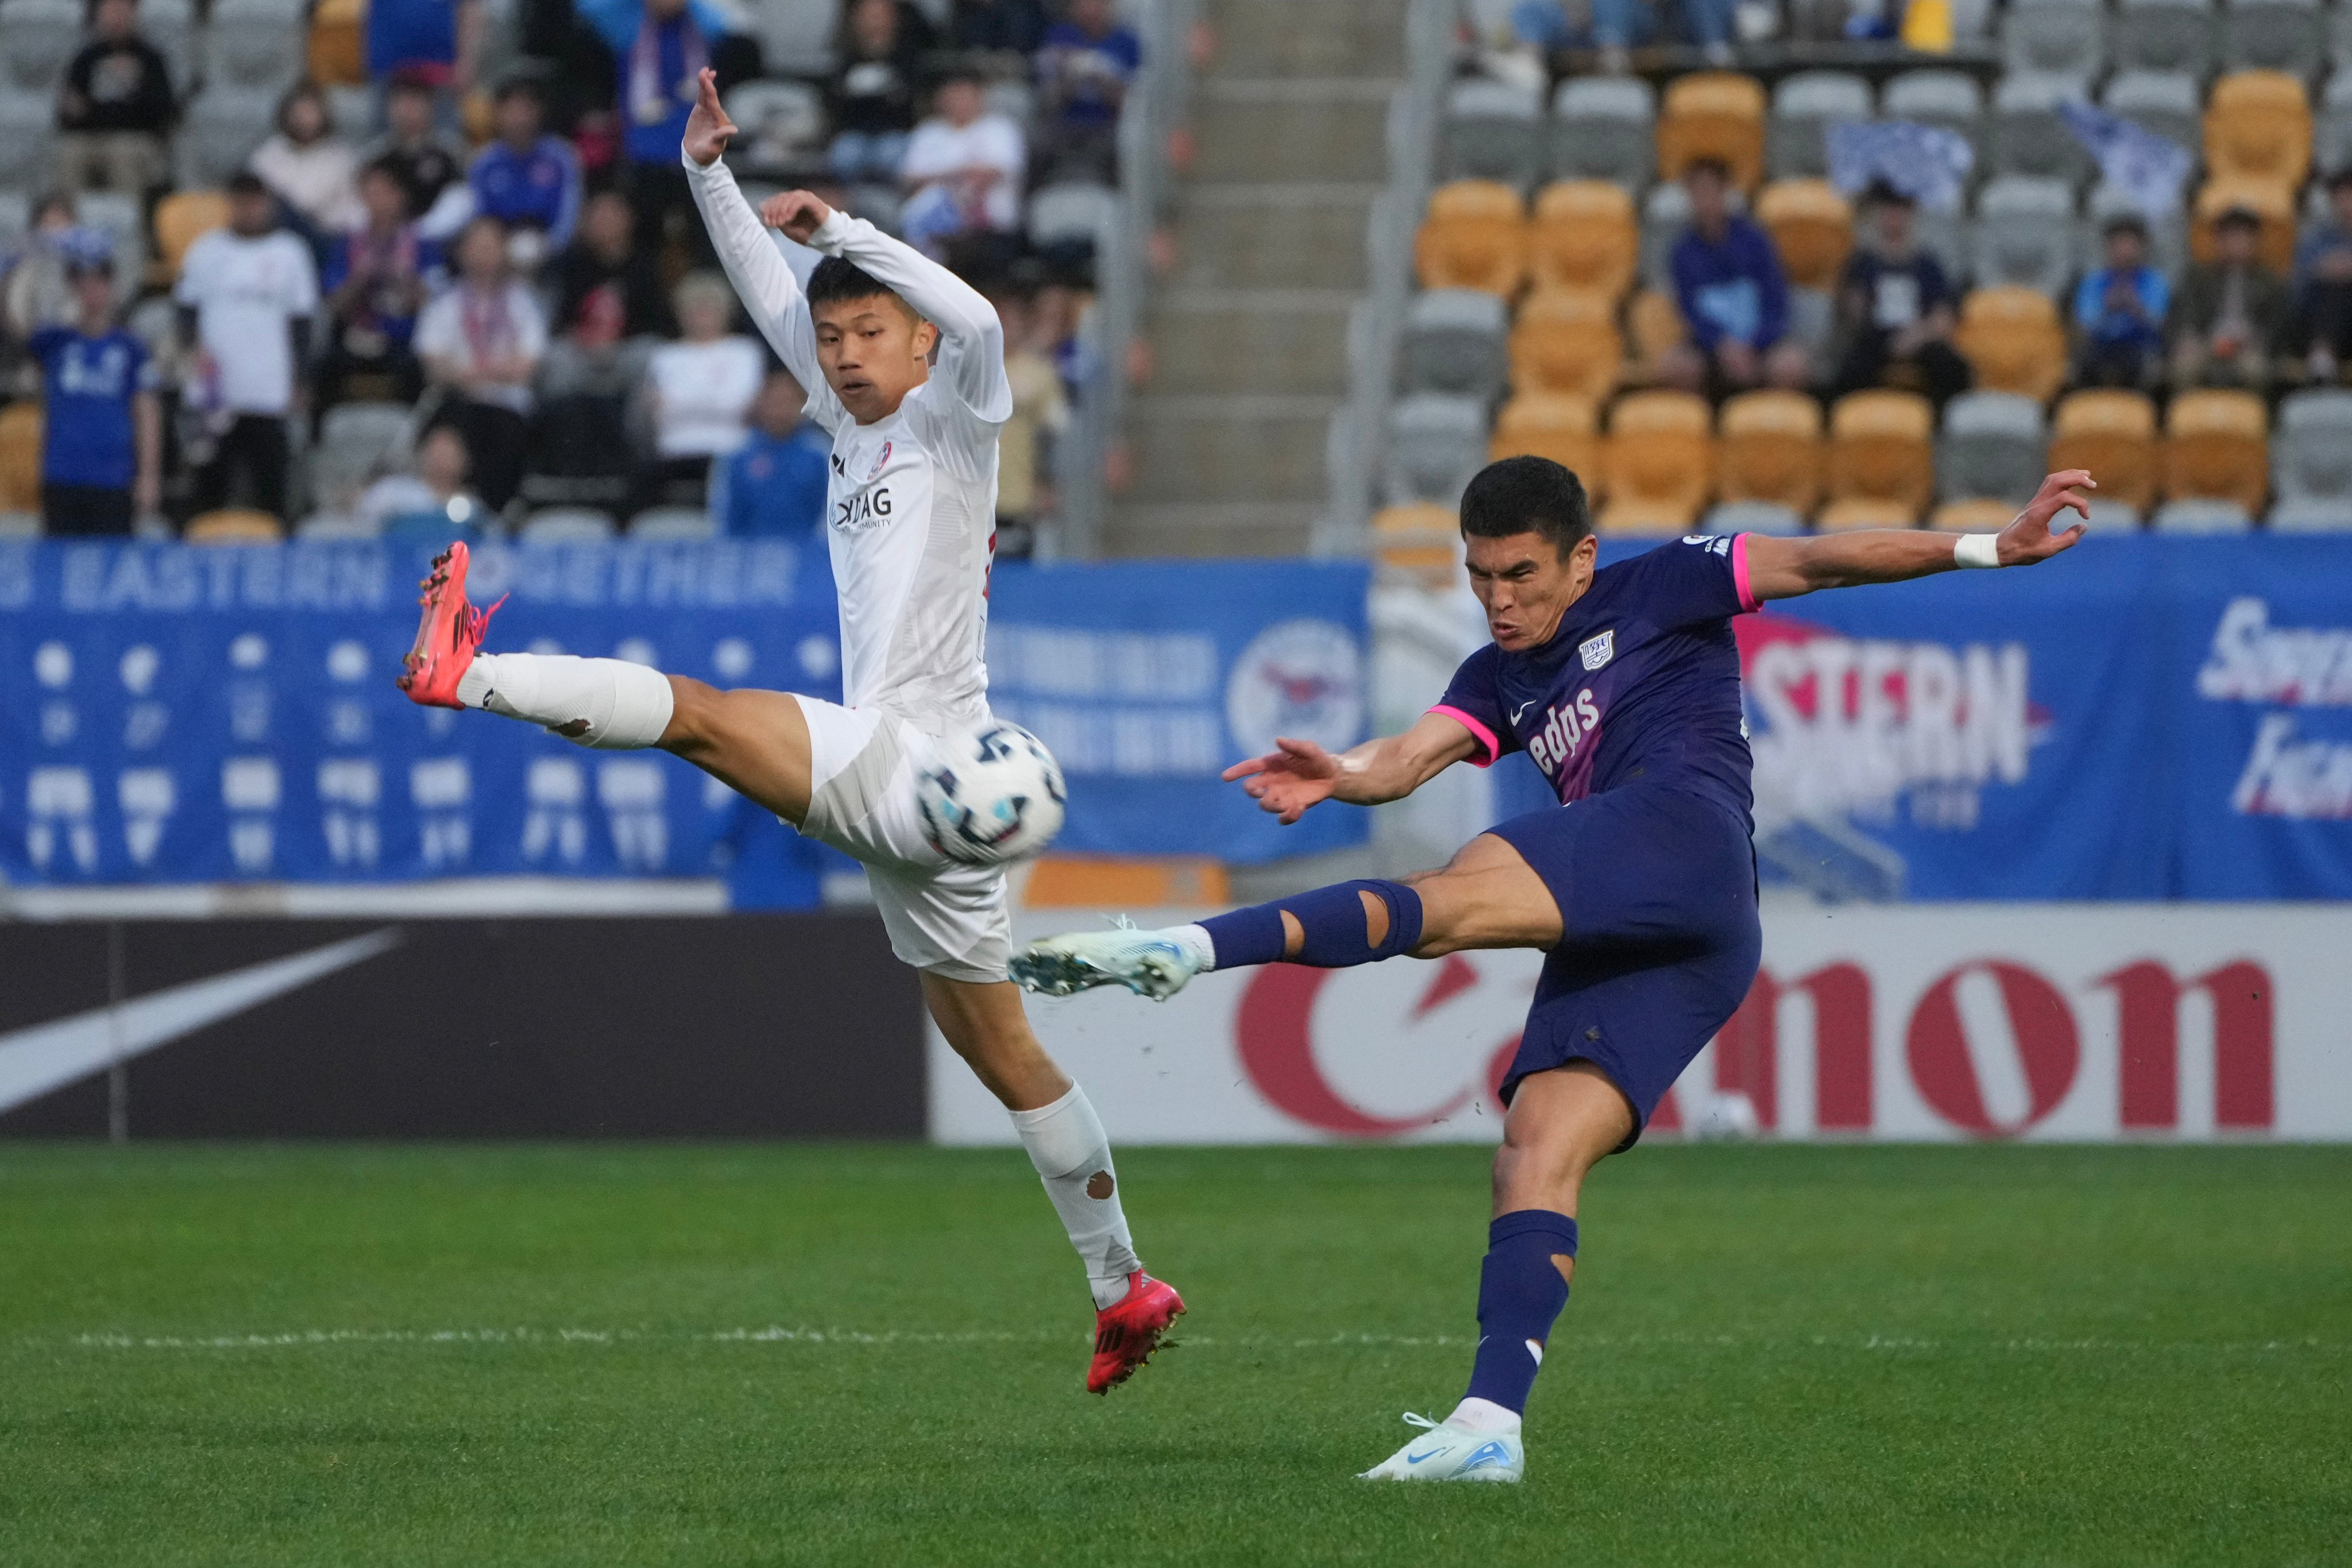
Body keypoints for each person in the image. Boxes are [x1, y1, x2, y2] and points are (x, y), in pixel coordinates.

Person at [1011, 454, 2095, 1480]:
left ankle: (1184, 951)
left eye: (1521, 573)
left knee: (1443, 904)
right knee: (1533, 1151)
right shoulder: (1497, 673)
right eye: (1479, 575)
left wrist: (1989, 548)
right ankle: (1489, 1427)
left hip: (1681, 836)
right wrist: (1337, 772)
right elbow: (1408, 758)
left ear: (1580, 562)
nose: (1499, 597)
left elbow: (1818, 560)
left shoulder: (1667, 582)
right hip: (1682, 939)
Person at [394, 70, 1186, 1393]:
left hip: (916, 753)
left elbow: (981, 316)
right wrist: (709, 171)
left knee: (697, 718)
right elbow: (776, 296)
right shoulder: (841, 417)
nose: (847, 353)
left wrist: (849, 237)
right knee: (1000, 1052)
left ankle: (465, 672)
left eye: (872, 333)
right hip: (937, 805)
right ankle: (1124, 1283)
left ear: (917, 342)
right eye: (835, 342)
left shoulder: (959, 417)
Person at [175, 172, 318, 519]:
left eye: (256, 200)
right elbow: (185, 310)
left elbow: (301, 323)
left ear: (268, 203)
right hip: (215, 394)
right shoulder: (207, 250)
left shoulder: (290, 252)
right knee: (210, 490)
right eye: (241, 199)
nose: (248, 208)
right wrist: (193, 351)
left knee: (271, 490)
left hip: (268, 391)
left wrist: (299, 378)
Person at [576, 0, 736, 261]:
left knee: (708, 243)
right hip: (645, 154)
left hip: (698, 154)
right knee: (644, 247)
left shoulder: (701, 25)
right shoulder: (627, 24)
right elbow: (587, 8)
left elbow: (726, 24)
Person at [415, 214, 546, 511]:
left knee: (504, 430)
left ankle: (493, 512)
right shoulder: (444, 303)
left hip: (508, 405)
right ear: (462, 252)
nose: (484, 253)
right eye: (477, 245)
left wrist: (474, 372)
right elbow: (433, 364)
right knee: (448, 427)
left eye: (491, 245)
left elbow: (528, 366)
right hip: (458, 401)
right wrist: (490, 371)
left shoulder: (523, 303)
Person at [28, 256, 161, 535]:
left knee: (112, 563)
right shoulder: (55, 341)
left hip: (114, 478)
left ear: (111, 288)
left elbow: (147, 414)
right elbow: (18, 324)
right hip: (63, 475)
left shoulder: (130, 348)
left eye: (98, 284)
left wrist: (148, 476)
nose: (91, 293)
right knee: (59, 566)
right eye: (82, 284)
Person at [1662, 158, 1809, 398]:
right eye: (1697, 191)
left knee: (1790, 366)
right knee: (1679, 367)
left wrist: (1753, 342)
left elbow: (1776, 301)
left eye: (1710, 190)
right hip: (1711, 344)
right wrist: (1722, 345)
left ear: (1724, 192)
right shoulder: (1682, 251)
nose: (1704, 200)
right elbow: (1688, 310)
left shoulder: (1756, 241)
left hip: (1760, 340)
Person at [1830, 181, 1969, 409]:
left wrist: (1917, 336)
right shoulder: (1862, 263)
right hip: (1876, 336)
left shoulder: (1928, 265)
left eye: (1901, 211)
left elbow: (1943, 314)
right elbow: (1851, 311)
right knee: (1851, 368)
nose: (1894, 217)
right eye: (1888, 210)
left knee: (1952, 367)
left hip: (1919, 335)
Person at [318, 157, 437, 415]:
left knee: (418, 370)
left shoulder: (422, 245)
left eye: (386, 192)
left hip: (402, 342)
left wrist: (404, 278)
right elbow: (333, 304)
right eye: (371, 192)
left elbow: (433, 303)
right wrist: (360, 277)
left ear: (401, 196)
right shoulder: (347, 244)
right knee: (323, 368)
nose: (377, 200)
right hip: (355, 338)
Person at [637, 270, 765, 507]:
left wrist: (679, 403)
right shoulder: (665, 356)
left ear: (725, 312)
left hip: (732, 449)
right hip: (674, 450)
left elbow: (742, 406)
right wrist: (717, 401)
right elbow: (660, 413)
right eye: (694, 310)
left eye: (709, 309)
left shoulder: (744, 352)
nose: (702, 317)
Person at [898, 71, 1027, 263]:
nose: (959, 102)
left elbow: (988, 175)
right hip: (936, 223)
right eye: (953, 96)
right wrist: (962, 172)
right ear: (941, 99)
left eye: (965, 95)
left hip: (989, 225)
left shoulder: (999, 128)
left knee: (948, 199)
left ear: (979, 97)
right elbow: (910, 178)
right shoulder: (928, 132)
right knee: (928, 204)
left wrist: (942, 176)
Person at [53, 0, 176, 198]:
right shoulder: (86, 58)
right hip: (92, 137)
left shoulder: (151, 59)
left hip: (136, 139)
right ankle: (69, 220)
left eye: (121, 11)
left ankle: (128, 220)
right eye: (109, 12)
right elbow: (69, 112)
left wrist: (131, 91)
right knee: (69, 153)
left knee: (123, 153)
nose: (115, 18)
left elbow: (163, 110)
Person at [466, 79, 584, 268]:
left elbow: (569, 216)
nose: (519, 119)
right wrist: (500, 253)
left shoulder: (561, 156)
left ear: (538, 112)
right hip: (497, 257)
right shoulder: (484, 163)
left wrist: (547, 248)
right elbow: (477, 215)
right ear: (497, 114)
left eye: (525, 110)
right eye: (511, 111)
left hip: (550, 255)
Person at [2172, 206, 2289, 393]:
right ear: (2219, 240)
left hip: (2249, 346)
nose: (2237, 243)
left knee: (2255, 371)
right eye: (2231, 237)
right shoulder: (2198, 277)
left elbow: (2276, 325)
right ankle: (2185, 419)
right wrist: (2194, 339)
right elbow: (2186, 315)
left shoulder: (2269, 280)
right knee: (2185, 368)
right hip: (2207, 342)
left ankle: (2257, 419)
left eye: (2243, 237)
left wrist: (2255, 341)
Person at [249, 82, 366, 260]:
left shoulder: (342, 158)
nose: (305, 120)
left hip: (327, 239)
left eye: (311, 112)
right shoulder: (267, 156)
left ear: (323, 115)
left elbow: (353, 211)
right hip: (278, 241)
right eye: (299, 112)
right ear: (287, 114)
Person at [710, 368, 832, 536]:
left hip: (808, 555)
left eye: (788, 403)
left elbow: (830, 515)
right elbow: (723, 517)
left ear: (803, 406)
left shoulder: (820, 454)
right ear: (761, 403)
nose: (781, 411)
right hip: (750, 554)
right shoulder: (736, 456)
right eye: (775, 402)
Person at [550, 189, 676, 342]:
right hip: (583, 346)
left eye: (610, 216)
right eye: (597, 216)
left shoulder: (645, 266)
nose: (603, 222)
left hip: (630, 344)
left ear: (629, 220)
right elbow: (561, 319)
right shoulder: (570, 265)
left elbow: (657, 320)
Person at [1036, 0, 1141, 183]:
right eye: (1084, 4)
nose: (1091, 10)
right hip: (1066, 122)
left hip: (1108, 124)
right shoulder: (1060, 36)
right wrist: (1071, 76)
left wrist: (1101, 77)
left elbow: (1132, 103)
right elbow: (1049, 101)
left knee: (1126, 151)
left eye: (1096, 4)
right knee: (1037, 147)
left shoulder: (1126, 42)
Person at [828, 0, 925, 187]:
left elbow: (912, 99)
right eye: (869, 16)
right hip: (855, 134)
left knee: (891, 156)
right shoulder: (846, 56)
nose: (875, 22)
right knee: (844, 157)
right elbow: (836, 100)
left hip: (895, 133)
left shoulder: (907, 54)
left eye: (880, 15)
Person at [365, 70, 473, 238]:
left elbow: (462, 201)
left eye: (415, 101)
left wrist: (421, 233)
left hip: (439, 239)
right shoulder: (376, 156)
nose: (408, 109)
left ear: (430, 106)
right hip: (387, 240)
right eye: (401, 101)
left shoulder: (450, 151)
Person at [2071, 215, 2169, 390]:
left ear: (2142, 247)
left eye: (2130, 244)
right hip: (2101, 346)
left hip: (2140, 346)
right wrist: (2107, 307)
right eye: (2119, 244)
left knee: (2151, 368)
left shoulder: (2155, 282)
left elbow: (2159, 323)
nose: (2125, 251)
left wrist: (2136, 308)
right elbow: (2085, 324)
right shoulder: (2094, 282)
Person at [360, 422, 489, 536]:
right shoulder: (390, 491)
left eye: (449, 453)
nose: (441, 459)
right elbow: (360, 530)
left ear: (464, 461)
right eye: (437, 451)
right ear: (423, 453)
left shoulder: (472, 507)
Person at [2290, 180, 2352, 387]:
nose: (2347, 203)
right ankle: (2322, 355)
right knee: (2331, 289)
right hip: (2320, 320)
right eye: (2342, 197)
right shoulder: (2317, 239)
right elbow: (2299, 287)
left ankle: (2322, 356)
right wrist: (2322, 270)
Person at [366, 0, 483, 101]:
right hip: (388, 68)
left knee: (444, 125)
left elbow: (470, 10)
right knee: (382, 125)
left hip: (442, 71)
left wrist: (466, 62)